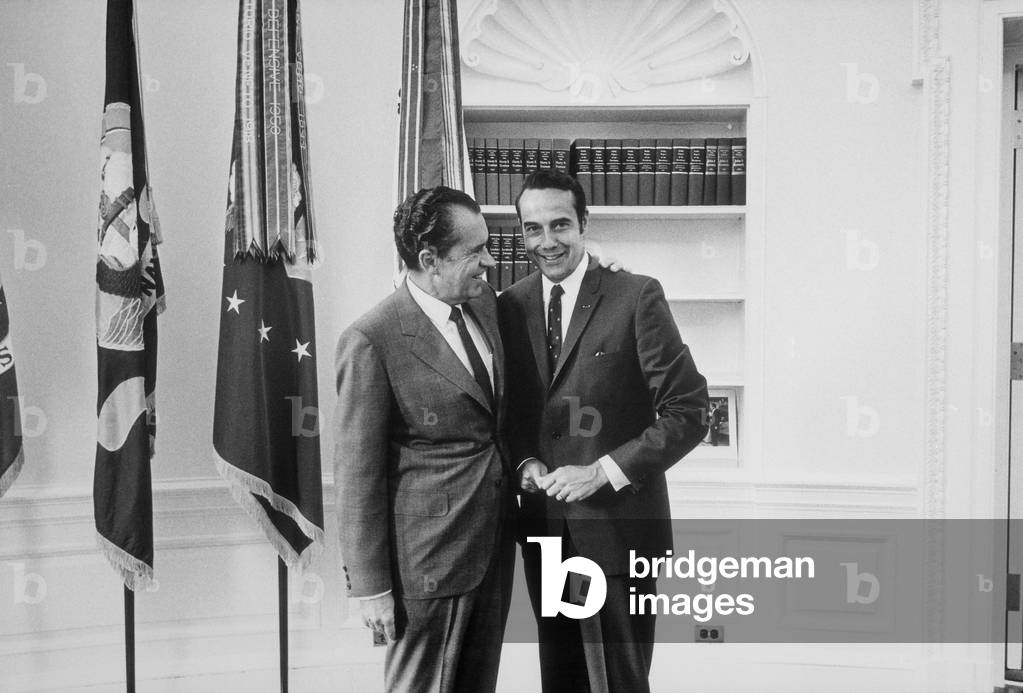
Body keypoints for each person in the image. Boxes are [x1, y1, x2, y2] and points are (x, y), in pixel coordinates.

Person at [498, 168, 710, 693]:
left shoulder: (636, 295)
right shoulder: (508, 306)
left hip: (620, 531)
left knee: (620, 683)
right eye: (532, 229)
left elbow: (689, 411)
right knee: (563, 680)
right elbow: (511, 414)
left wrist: (603, 471)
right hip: (545, 532)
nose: (546, 243)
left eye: (560, 225)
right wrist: (525, 464)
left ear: (585, 223)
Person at [333, 186, 515, 693]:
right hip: (427, 565)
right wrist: (371, 589)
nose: (490, 261)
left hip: (491, 550)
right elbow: (357, 475)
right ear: (429, 259)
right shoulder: (372, 338)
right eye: (475, 251)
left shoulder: (487, 308)